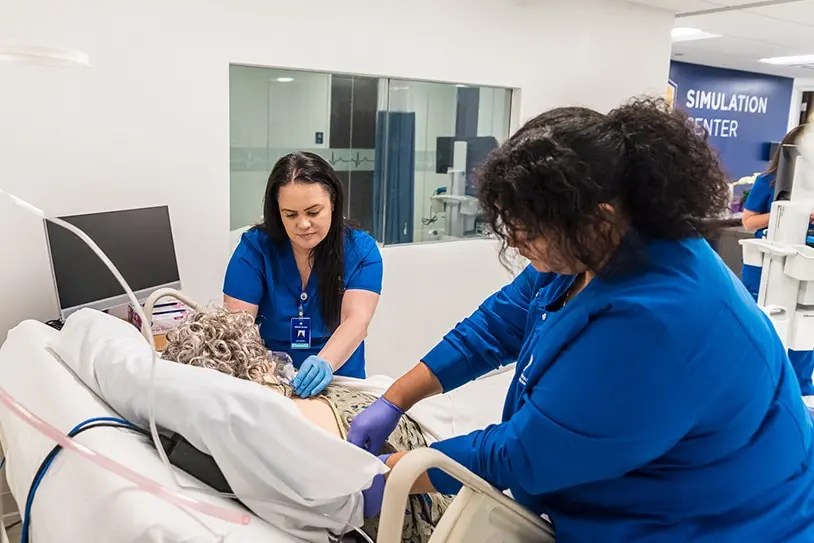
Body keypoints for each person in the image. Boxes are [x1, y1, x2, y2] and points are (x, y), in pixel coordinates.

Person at [348, 99, 814, 541]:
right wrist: (394, 399)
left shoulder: (661, 323)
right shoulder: (589, 252)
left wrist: (392, 473)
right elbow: (494, 327)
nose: (517, 245)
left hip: (721, 525)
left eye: (527, 232)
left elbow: (524, 453)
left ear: (599, 216)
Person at [162, 308, 452, 543]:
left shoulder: (276, 432)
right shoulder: (282, 426)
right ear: (259, 363)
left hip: (434, 498)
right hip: (435, 483)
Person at [223, 152, 383, 398]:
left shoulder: (360, 250)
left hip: (340, 381)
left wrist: (325, 363)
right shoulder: (254, 249)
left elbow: (357, 321)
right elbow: (237, 331)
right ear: (278, 212)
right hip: (269, 381)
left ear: (333, 203)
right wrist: (268, 379)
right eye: (291, 214)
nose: (303, 224)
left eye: (313, 212)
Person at [741, 123, 813, 395]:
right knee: (767, 325)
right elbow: (748, 221)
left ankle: (801, 387)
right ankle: (763, 386)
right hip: (767, 264)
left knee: (805, 326)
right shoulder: (768, 181)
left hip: (805, 264)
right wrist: (788, 214)